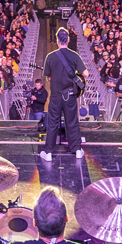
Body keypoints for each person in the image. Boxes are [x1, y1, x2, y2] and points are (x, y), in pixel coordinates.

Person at [41, 28, 87, 162]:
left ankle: (49, 152)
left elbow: (48, 78)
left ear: (57, 40)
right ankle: (77, 150)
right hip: (70, 95)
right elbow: (86, 74)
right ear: (68, 39)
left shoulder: (50, 56)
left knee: (53, 123)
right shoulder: (74, 55)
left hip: (55, 96)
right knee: (72, 122)